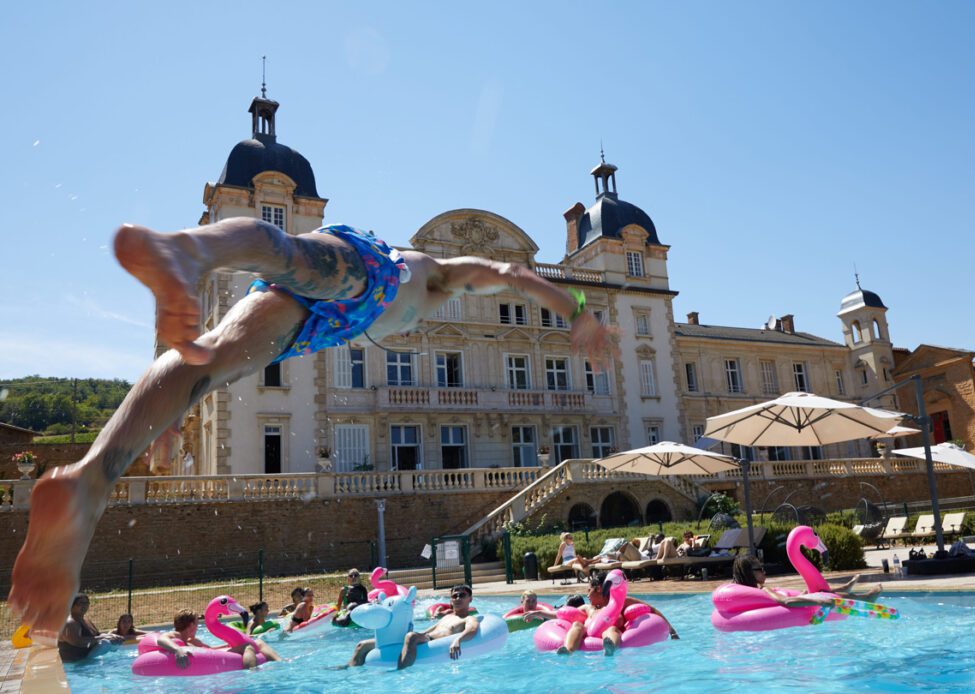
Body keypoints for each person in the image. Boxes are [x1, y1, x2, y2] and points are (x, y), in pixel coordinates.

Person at [9, 218, 618, 641]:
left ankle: (93, 476)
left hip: (314, 327)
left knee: (207, 360)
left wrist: (170, 421)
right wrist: (580, 314)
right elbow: (511, 270)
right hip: (370, 277)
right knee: (289, 255)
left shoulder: (433, 284)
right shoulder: (436, 273)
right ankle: (188, 250)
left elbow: (510, 272)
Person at [347, 583, 480, 669]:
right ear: (451, 599)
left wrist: (458, 640)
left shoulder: (468, 618)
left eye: (462, 595)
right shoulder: (447, 617)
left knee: (411, 637)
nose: (457, 598)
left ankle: (400, 671)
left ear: (470, 599)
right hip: (424, 637)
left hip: (433, 641)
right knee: (362, 644)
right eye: (454, 596)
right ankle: (348, 669)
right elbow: (428, 631)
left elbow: (472, 629)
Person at [559, 573, 679, 656]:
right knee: (577, 625)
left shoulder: (620, 602)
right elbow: (562, 614)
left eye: (589, 590)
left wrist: (671, 630)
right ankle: (568, 650)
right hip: (589, 634)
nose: (587, 595)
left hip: (609, 633)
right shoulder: (588, 608)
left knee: (611, 629)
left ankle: (611, 649)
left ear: (599, 589)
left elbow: (651, 610)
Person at [156, 608, 281, 670]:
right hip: (207, 661)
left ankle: (280, 661)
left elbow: (210, 650)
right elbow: (161, 639)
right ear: (191, 625)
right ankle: (252, 672)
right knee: (248, 646)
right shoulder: (177, 635)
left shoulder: (191, 640)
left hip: (210, 656)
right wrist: (177, 650)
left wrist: (229, 644)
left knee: (257, 642)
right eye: (196, 622)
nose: (198, 626)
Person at [731, 555, 882, 606]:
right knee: (822, 594)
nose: (764, 572)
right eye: (760, 569)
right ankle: (866, 598)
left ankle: (847, 588)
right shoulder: (763, 590)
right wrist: (819, 602)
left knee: (816, 592)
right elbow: (786, 602)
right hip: (794, 607)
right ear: (748, 573)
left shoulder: (747, 592)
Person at [58, 594, 122, 663]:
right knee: (105, 643)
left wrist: (112, 636)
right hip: (72, 662)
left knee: (114, 642)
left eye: (87, 603)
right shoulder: (70, 622)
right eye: (81, 603)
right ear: (72, 605)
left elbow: (97, 634)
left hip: (86, 658)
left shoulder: (86, 620)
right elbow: (77, 642)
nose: (84, 606)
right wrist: (102, 638)